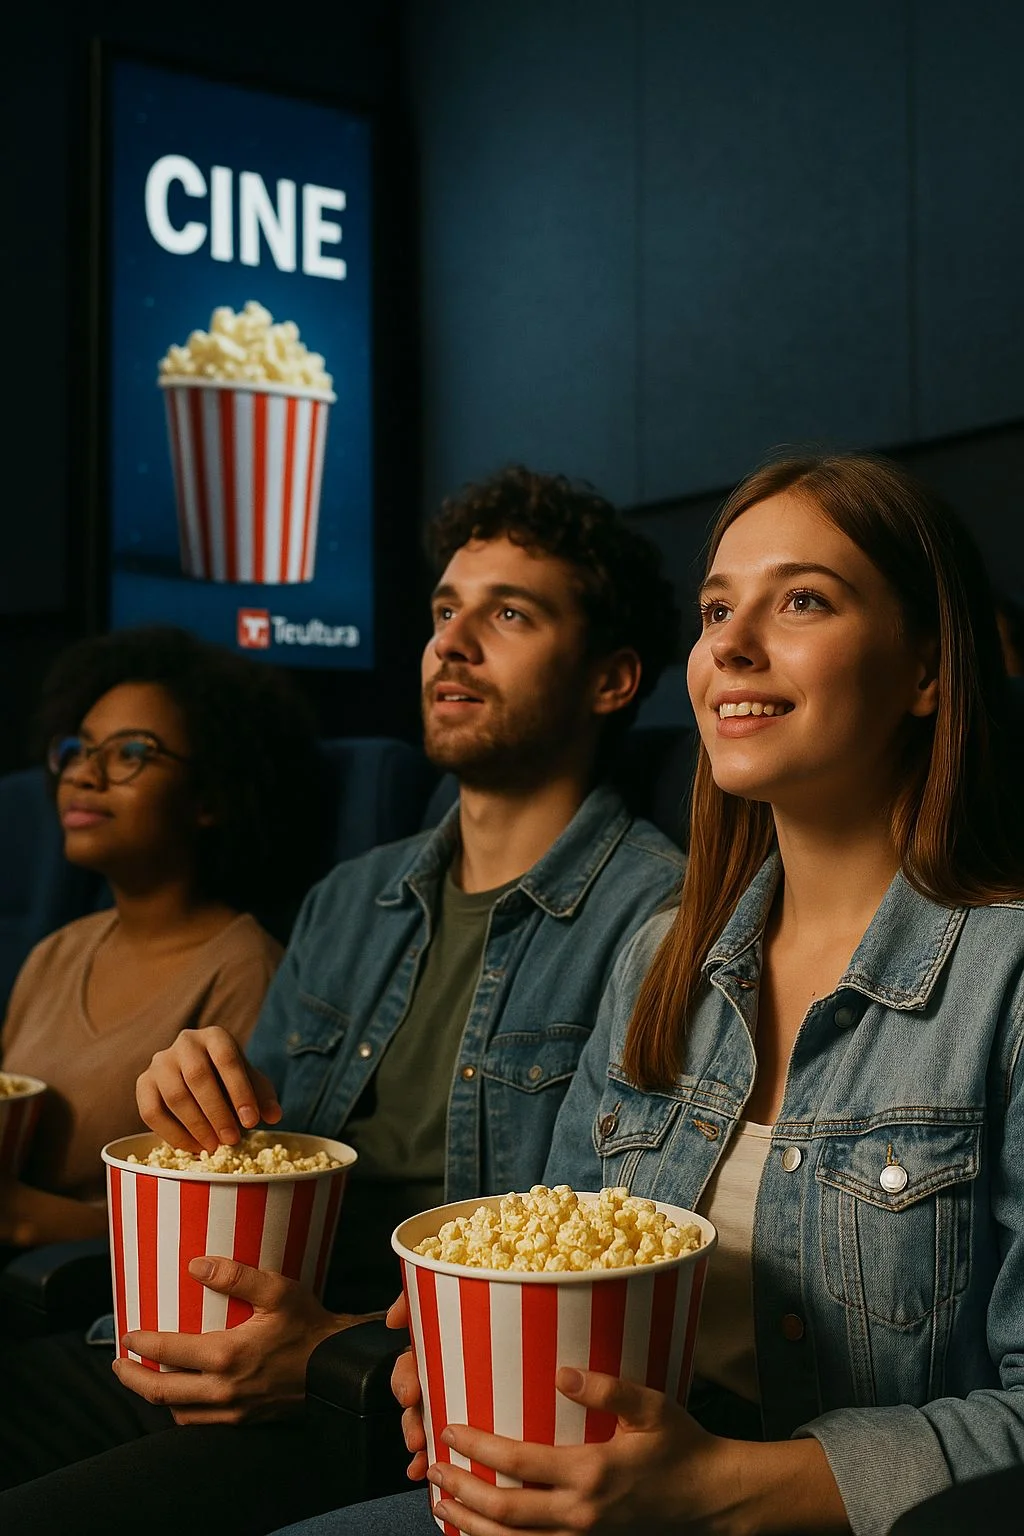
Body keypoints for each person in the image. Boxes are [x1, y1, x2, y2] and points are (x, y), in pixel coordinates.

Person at [309, 452, 1024, 1536]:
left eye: (800, 600)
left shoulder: (1006, 979)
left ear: (927, 670)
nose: (730, 644)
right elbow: (570, 1262)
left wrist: (715, 1489)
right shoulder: (659, 958)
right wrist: (475, 1352)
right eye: (715, 608)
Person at [0, 467, 685, 1535]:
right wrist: (193, 1113)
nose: (449, 645)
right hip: (210, 1349)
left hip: (405, 1404)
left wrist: (335, 1345)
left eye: (507, 614)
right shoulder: (349, 899)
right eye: (443, 612)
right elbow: (254, 1171)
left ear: (611, 679)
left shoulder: (663, 921)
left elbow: (582, 1290)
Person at [0, 625, 317, 1248]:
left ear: (209, 796)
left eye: (130, 753)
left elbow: (215, 1222)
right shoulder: (55, 952)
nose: (84, 775)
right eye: (78, 749)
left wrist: (20, 1216)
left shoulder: (246, 969)